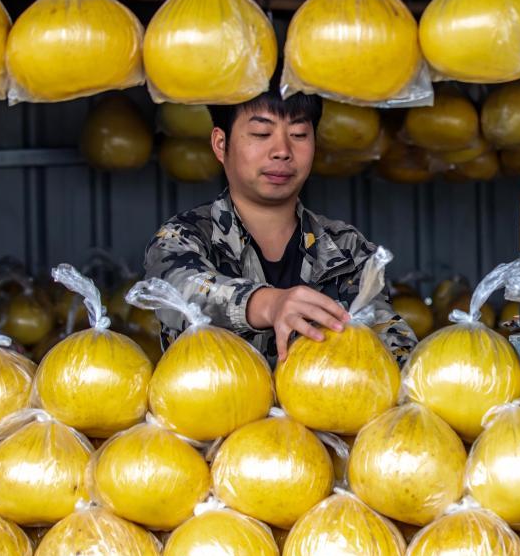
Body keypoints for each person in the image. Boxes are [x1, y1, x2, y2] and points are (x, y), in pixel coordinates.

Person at [143, 81, 416, 367]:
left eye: (299, 134)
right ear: (221, 145)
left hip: (326, 408)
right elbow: (175, 293)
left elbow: (386, 334)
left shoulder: (346, 247)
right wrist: (267, 304)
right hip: (215, 409)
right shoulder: (183, 237)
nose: (282, 151)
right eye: (262, 133)